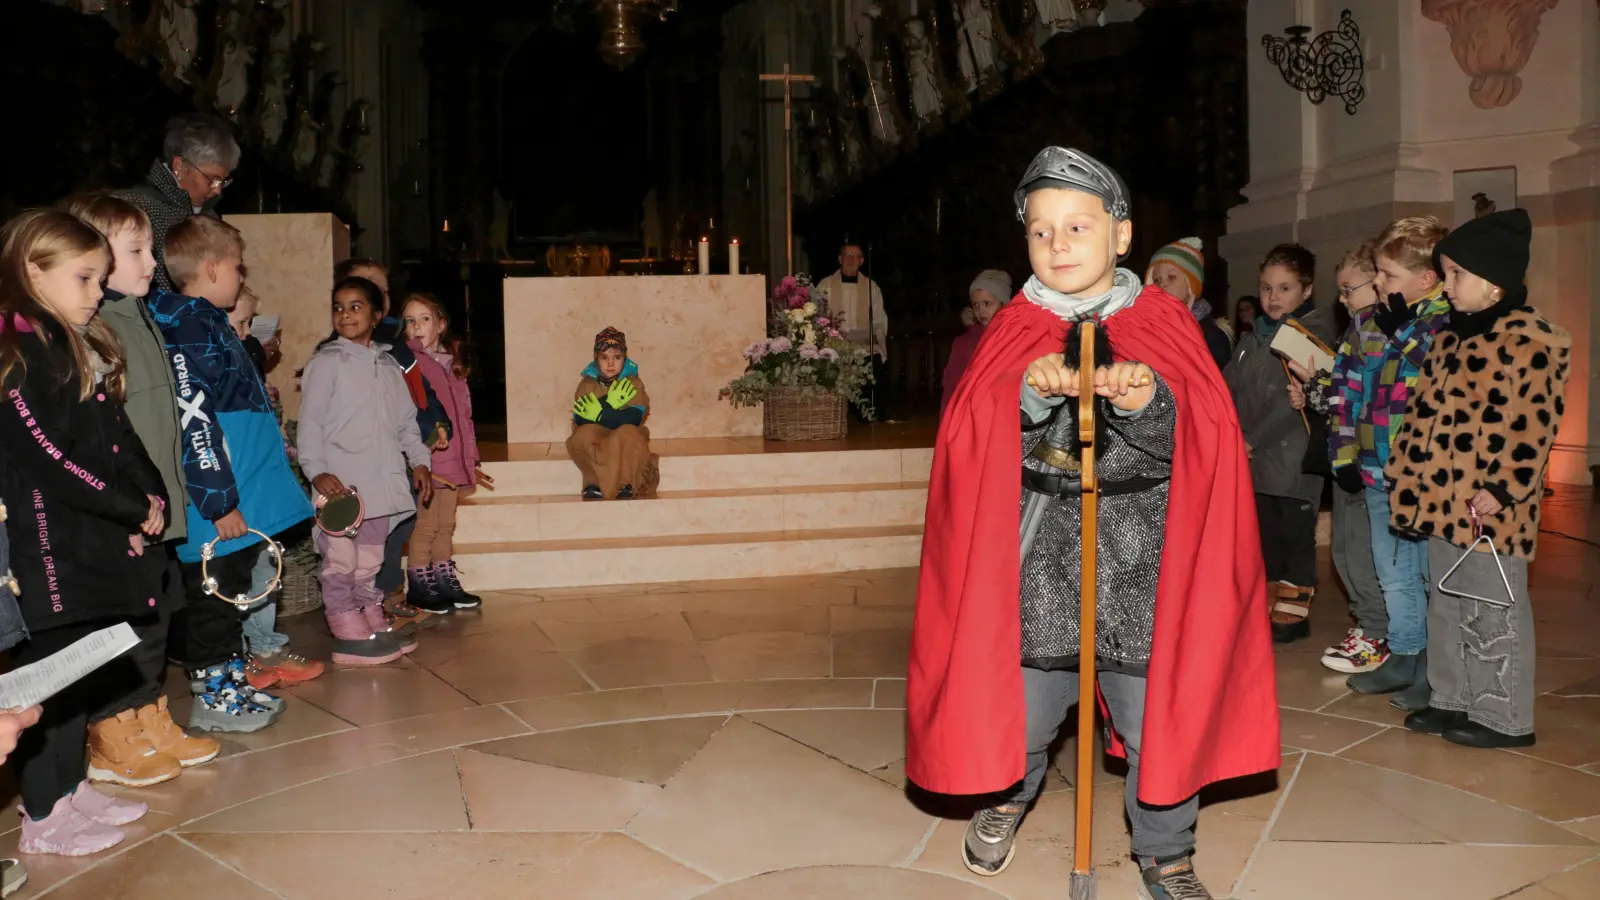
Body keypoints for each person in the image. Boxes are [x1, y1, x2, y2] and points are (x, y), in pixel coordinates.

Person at [909, 147, 1277, 900]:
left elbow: (1206, 439)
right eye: (1040, 231)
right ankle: (1007, 797)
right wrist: (1029, 397)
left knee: (1155, 718)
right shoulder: (1012, 328)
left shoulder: (1165, 322)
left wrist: (1146, 403)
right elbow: (971, 441)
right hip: (1039, 555)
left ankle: (1165, 848)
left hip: (1144, 559)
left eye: (1078, 226)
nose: (1059, 244)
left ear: (1121, 235)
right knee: (1023, 708)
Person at [0, 209, 166, 855]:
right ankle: (44, 815)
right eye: (85, 277)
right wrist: (123, 506)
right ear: (32, 271)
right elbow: (47, 456)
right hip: (44, 541)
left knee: (79, 670)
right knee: (47, 675)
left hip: (82, 532)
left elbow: (110, 436)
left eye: (101, 277)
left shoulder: (70, 339)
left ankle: (70, 788)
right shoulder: (18, 347)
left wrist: (143, 495)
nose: (99, 290)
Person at [1387, 209, 1568, 749]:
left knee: (1494, 610)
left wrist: (1505, 488)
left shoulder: (1532, 340)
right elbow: (1422, 415)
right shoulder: (1447, 338)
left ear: (1493, 285)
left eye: (1456, 274)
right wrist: (1405, 472)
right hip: (1444, 501)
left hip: (1491, 507)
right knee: (1447, 601)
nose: (1446, 284)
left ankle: (1504, 716)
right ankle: (1452, 698)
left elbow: (1536, 425)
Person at [66, 194, 224, 785]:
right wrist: (126, 512)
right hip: (128, 513)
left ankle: (149, 715)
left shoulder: (143, 316)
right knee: (124, 623)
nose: (152, 261)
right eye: (137, 250)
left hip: (160, 508)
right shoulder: (101, 329)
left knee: (158, 616)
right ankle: (113, 732)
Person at [150, 216, 312, 732]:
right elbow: (195, 419)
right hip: (217, 504)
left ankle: (229, 683)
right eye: (238, 268)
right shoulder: (190, 325)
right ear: (213, 266)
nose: (242, 277)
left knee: (232, 588)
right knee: (214, 597)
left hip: (236, 493)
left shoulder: (208, 320)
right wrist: (219, 502)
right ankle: (213, 697)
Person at [1333, 216, 1451, 706]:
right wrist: (1344, 451)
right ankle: (1403, 653)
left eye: (1388, 275)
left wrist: (1401, 328)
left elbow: (1438, 368)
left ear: (1427, 279)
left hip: (1422, 475)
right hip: (1377, 468)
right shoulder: (1370, 321)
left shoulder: (1444, 320)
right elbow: (1350, 389)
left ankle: (1432, 665)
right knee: (1392, 570)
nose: (1378, 283)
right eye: (1377, 273)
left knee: (1427, 575)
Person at [297, 277, 433, 665]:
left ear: (377, 316)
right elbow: (310, 425)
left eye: (356, 307)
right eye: (338, 307)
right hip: (342, 489)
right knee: (340, 559)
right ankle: (344, 624)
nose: (345, 315)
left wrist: (419, 461)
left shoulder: (390, 366)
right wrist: (316, 470)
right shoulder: (327, 363)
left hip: (381, 485)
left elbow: (407, 424)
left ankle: (367, 613)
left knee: (370, 561)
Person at [331, 258, 456, 617]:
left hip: (400, 448)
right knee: (366, 532)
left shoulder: (395, 343)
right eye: (364, 286)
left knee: (400, 521)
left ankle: (385, 591)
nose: (377, 294)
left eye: (382, 289)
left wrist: (436, 423)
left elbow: (419, 391)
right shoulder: (337, 351)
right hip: (358, 455)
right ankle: (362, 600)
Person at [1223, 244, 1335, 644]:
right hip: (1255, 455)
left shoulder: (1310, 333)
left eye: (1285, 288)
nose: (1273, 298)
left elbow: (1291, 403)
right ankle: (1270, 594)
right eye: (1267, 288)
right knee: (1266, 528)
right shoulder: (1253, 337)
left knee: (1294, 529)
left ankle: (1295, 599)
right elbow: (1230, 386)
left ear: (1306, 291)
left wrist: (1251, 438)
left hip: (1292, 453)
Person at [1286, 244, 1389, 674]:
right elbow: (1345, 392)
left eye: (1350, 290)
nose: (1343, 301)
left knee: (1365, 552)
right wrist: (1315, 388)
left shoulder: (1379, 330)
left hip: (1367, 460)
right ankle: (1369, 625)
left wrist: (1315, 384)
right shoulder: (1358, 330)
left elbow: (1362, 398)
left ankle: (1378, 631)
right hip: (1346, 456)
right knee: (1345, 552)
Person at [224, 287, 324, 689]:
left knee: (266, 569)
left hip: (258, 490)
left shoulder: (246, 356)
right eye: (240, 323)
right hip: (230, 491)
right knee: (232, 580)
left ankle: (267, 648)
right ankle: (235, 655)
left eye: (251, 324)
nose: (247, 333)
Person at [402, 292, 490, 613]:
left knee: (446, 523)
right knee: (426, 524)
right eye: (410, 321)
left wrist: (471, 458)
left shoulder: (453, 365)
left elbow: (464, 417)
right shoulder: (409, 364)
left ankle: (442, 577)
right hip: (429, 459)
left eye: (424, 318)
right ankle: (419, 583)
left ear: (441, 324)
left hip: (455, 459)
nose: (417, 326)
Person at [114, 113, 239, 293]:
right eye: (212, 179)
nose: (218, 190)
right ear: (179, 167)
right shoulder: (136, 209)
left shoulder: (208, 215)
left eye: (224, 182)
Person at [567, 327, 658, 501]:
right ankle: (593, 482)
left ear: (624, 358)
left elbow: (634, 417)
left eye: (617, 358)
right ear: (596, 359)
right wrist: (609, 404)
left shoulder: (633, 383)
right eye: (604, 358)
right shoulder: (587, 383)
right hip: (597, 437)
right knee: (583, 435)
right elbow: (581, 418)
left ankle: (626, 483)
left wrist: (600, 414)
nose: (610, 364)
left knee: (627, 433)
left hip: (624, 439)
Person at [816, 243, 888, 415]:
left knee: (873, 361)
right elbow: (817, 317)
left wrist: (875, 337)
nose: (850, 259)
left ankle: (870, 413)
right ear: (840, 259)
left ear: (861, 261)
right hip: (834, 347)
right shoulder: (825, 285)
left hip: (862, 346)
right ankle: (832, 413)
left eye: (855, 256)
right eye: (847, 255)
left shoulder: (871, 287)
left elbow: (879, 319)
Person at [1145, 237, 1232, 369]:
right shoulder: (1150, 330)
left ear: (1192, 283)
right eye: (1156, 280)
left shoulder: (1211, 336)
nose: (1162, 284)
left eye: (1171, 277)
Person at [942, 269, 1011, 416]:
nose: (981, 310)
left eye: (987, 303)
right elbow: (951, 387)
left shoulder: (1013, 339)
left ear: (1004, 304)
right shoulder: (964, 343)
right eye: (976, 305)